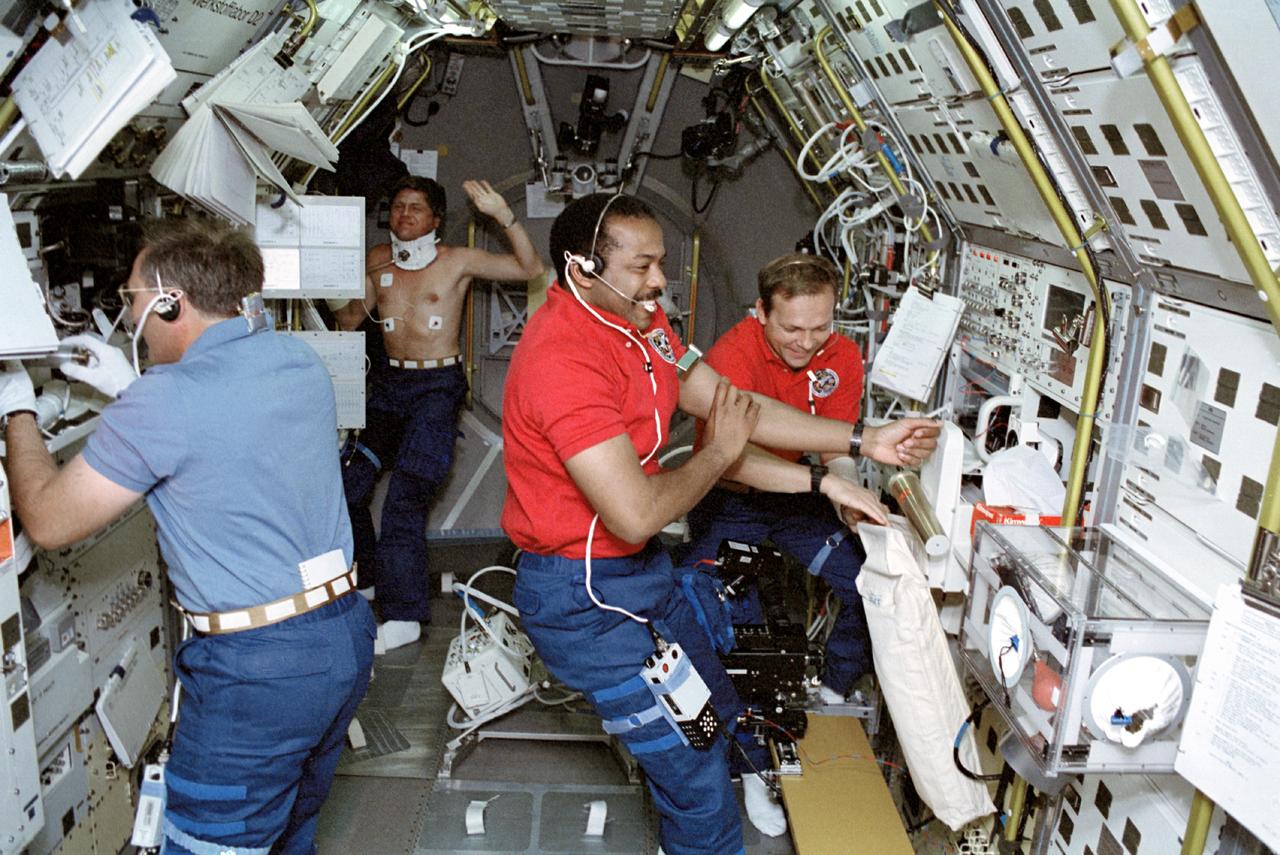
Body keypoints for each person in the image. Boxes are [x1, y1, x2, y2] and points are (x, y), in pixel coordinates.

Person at [500, 192, 939, 855]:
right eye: (643, 265)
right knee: (697, 782)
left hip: (638, 573)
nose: (659, 282)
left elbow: (736, 405)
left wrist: (863, 439)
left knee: (722, 703)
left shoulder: (641, 324)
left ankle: (736, 779)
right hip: (585, 600)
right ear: (581, 268)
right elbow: (639, 509)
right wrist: (717, 454)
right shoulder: (564, 359)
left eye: (661, 262)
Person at [0, 218, 374, 855]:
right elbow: (229, 439)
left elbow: (48, 519)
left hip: (255, 673)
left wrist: (18, 409)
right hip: (340, 638)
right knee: (289, 836)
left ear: (170, 302)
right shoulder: (296, 358)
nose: (129, 314)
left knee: (212, 844)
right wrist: (134, 389)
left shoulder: (163, 405)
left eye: (132, 300)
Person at [333, 176, 544, 651]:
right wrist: (332, 275)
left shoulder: (457, 261)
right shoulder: (378, 260)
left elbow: (530, 269)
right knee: (349, 488)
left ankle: (404, 615)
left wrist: (502, 216)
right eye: (398, 207)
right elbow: (349, 319)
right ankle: (366, 580)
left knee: (405, 499)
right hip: (389, 387)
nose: (404, 216)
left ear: (435, 220)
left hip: (436, 388)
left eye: (415, 208)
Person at [681, 252, 873, 705]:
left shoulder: (842, 357)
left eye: (819, 327)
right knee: (699, 605)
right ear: (762, 311)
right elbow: (730, 457)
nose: (806, 343)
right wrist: (823, 482)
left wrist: (846, 495)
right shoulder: (732, 355)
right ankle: (730, 718)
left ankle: (833, 688)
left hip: (795, 498)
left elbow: (836, 446)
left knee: (871, 582)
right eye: (791, 329)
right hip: (732, 499)